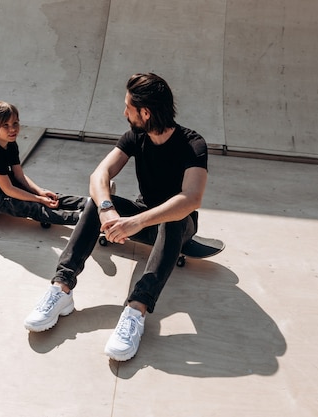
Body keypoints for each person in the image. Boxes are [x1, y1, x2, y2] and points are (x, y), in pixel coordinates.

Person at [24, 73, 208, 361]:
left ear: (145, 112)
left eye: (128, 107)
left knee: (174, 217)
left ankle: (136, 309)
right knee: (92, 203)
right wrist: (107, 209)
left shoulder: (192, 144)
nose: (124, 113)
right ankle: (62, 288)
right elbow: (100, 174)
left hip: (177, 227)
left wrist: (136, 221)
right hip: (139, 221)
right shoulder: (136, 136)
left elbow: (190, 198)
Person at [0, 101, 87, 232]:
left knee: (49, 196)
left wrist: (39, 192)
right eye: (5, 125)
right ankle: (80, 218)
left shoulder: (10, 144)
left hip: (5, 185)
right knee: (32, 207)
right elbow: (8, 190)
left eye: (15, 123)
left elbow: (19, 176)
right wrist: (38, 199)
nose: (12, 129)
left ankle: (86, 203)